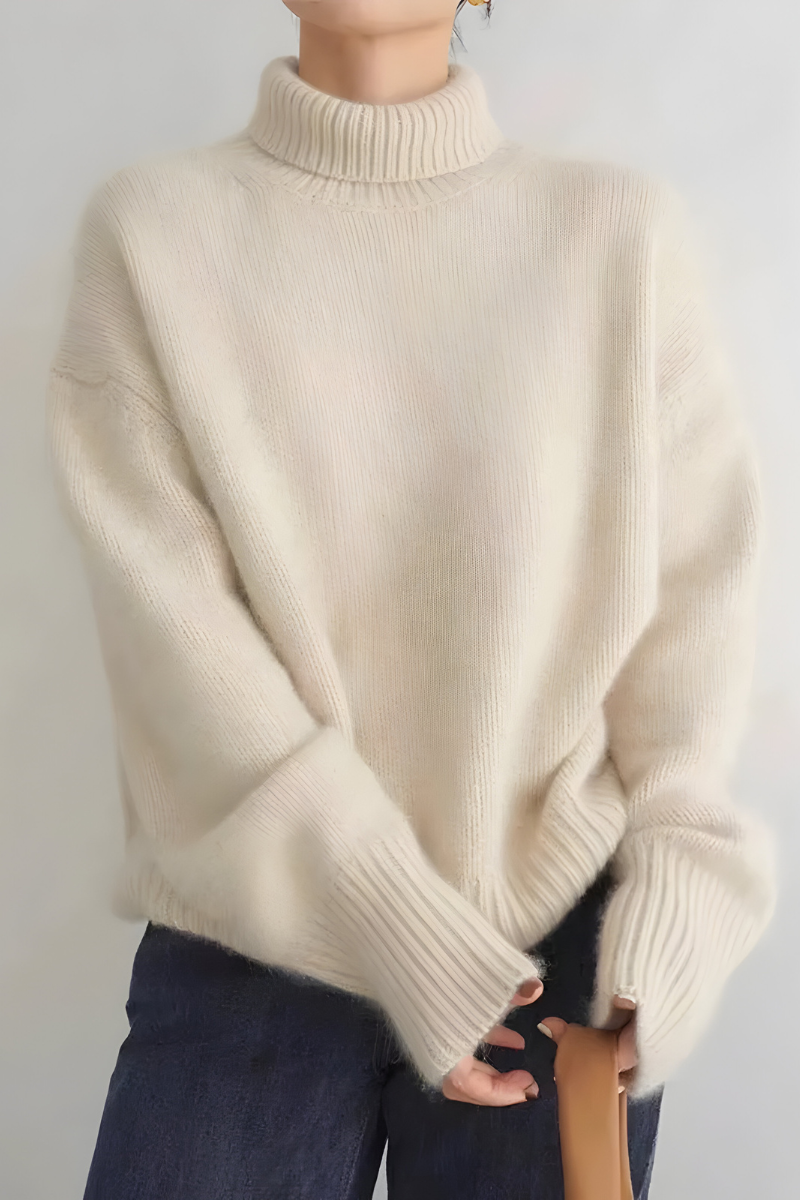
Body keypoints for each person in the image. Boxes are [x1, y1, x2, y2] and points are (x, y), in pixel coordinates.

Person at [45, 1, 777, 1197]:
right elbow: (174, 645)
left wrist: (675, 908)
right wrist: (390, 922)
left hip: (560, 957)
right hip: (253, 932)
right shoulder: (153, 235)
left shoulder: (614, 236)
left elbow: (690, 608)